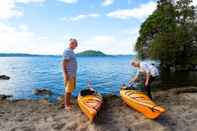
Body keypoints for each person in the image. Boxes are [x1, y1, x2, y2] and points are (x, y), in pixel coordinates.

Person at [62, 38, 78, 111]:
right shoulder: (67, 51)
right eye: (75, 43)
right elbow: (63, 63)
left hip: (73, 74)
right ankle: (66, 105)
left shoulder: (71, 51)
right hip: (69, 74)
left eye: (76, 43)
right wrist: (65, 74)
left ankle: (69, 102)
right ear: (71, 44)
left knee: (71, 89)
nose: (77, 45)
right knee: (68, 90)